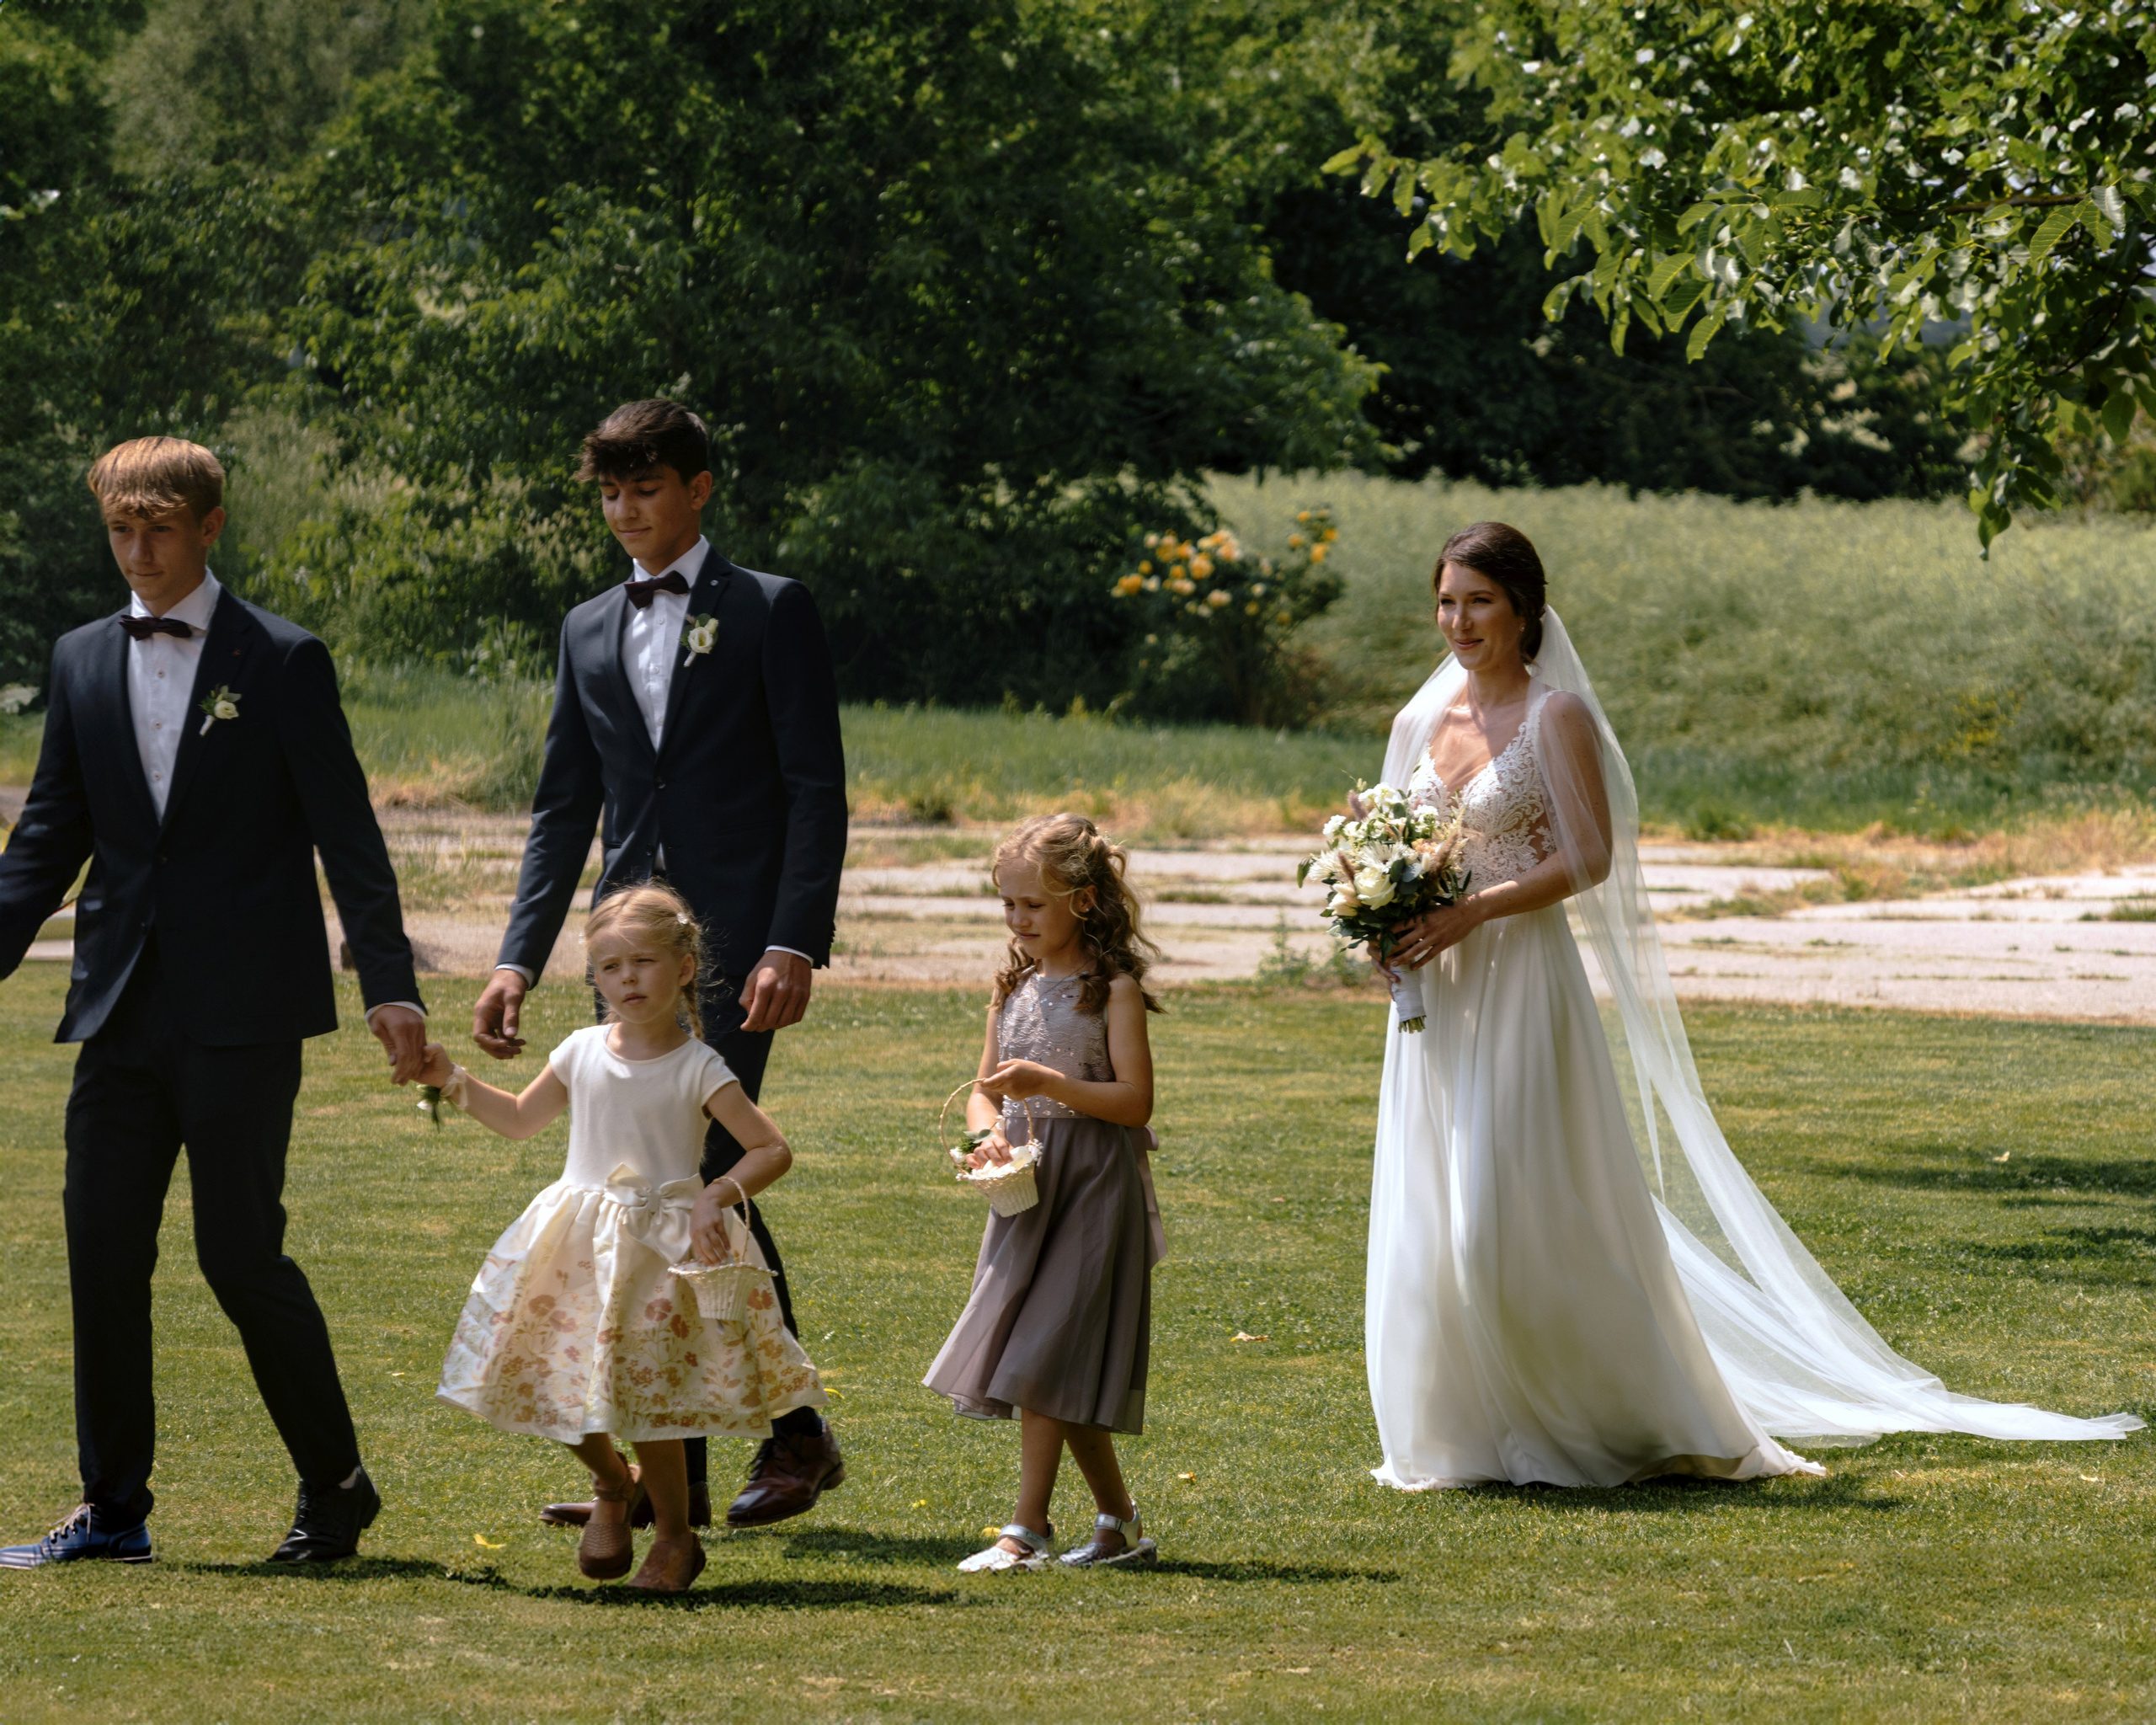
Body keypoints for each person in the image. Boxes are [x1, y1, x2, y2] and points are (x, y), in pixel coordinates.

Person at [1364, 521, 2143, 1490]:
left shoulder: (1553, 713)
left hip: (1521, 978)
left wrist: (1477, 908)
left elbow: (1590, 856)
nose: (1459, 619)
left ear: (1524, 608)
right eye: (1446, 600)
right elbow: (1390, 850)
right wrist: (1379, 922)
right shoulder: (1419, 721)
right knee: (1434, 1215)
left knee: (1499, 1212)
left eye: (1479, 600)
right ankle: (1465, 1433)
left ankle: (1600, 1412)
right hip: (1437, 990)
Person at [0, 437, 428, 1569]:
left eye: (160, 530)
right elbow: (49, 836)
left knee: (240, 1257)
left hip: (245, 1011)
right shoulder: (83, 657)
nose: (138, 553)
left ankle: (335, 1488)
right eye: (120, 531)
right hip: (119, 1011)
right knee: (99, 1253)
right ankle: (113, 1510)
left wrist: (389, 986)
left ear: (209, 526)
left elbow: (349, 834)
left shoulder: (283, 659)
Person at [469, 399, 847, 1533]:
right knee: (632, 1187)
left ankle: (791, 1433)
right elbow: (562, 805)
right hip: (624, 942)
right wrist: (515, 959)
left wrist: (793, 938)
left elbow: (814, 790)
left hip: (732, 947)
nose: (627, 512)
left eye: (647, 489)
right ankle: (656, 1464)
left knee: (700, 1172)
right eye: (611, 494)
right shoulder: (586, 626)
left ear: (699, 489)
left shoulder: (771, 610)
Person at [422, 882, 825, 1594]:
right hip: (573, 1245)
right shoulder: (579, 1050)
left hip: (659, 1252)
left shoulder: (698, 1064)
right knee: (551, 1376)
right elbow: (519, 1118)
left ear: (684, 968)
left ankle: (674, 1538)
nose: (627, 979)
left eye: (643, 961)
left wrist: (714, 1197)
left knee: (645, 1399)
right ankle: (614, 1483)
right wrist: (451, 1079)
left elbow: (771, 1150)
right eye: (610, 967)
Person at [925, 814, 1164, 1572]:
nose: (1018, 921)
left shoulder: (1113, 992)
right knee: (1051, 1362)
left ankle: (1024, 1532)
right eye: (1008, 905)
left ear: (1084, 902)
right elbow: (980, 1091)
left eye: (1032, 904)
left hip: (1094, 1186)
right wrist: (986, 1132)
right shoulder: (1011, 989)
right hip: (1029, 1190)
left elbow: (1134, 1103)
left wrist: (1051, 1085)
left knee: (1041, 1355)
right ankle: (1119, 1526)